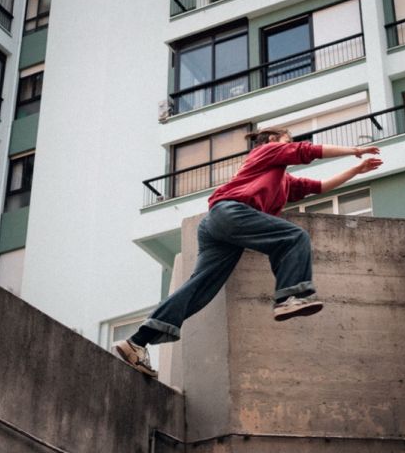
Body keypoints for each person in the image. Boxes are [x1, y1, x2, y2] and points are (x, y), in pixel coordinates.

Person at [115, 128, 383, 376]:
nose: (289, 146)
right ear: (271, 141)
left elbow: (320, 187)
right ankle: (290, 297)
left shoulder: (284, 181)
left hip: (221, 227)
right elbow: (306, 151)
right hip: (231, 213)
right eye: (286, 140)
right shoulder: (265, 152)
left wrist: (356, 170)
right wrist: (354, 150)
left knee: (200, 288)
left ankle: (137, 341)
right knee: (294, 237)